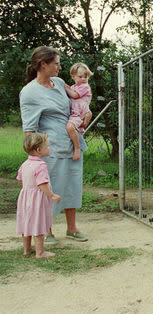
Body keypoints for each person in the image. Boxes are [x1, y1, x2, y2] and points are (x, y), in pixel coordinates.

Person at [20, 46, 91, 245]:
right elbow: (29, 130)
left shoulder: (60, 83)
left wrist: (86, 114)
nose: (60, 67)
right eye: (56, 63)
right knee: (48, 188)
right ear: (44, 64)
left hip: (72, 143)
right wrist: (34, 158)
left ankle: (72, 229)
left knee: (72, 186)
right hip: (49, 149)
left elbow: (77, 106)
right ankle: (46, 230)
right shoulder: (29, 92)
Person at [17, 133, 61, 258]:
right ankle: (40, 252)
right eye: (47, 146)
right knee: (38, 223)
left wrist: (28, 190)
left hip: (25, 198)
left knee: (27, 222)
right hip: (37, 200)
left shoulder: (25, 164)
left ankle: (27, 249)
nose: (49, 148)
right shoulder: (41, 165)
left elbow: (20, 178)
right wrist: (52, 195)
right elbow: (42, 184)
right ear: (39, 150)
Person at [64, 63, 93, 161]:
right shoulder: (74, 87)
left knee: (70, 127)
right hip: (75, 113)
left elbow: (75, 95)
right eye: (80, 77)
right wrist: (69, 88)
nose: (84, 79)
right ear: (73, 76)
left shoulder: (85, 86)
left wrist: (66, 88)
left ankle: (77, 148)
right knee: (71, 128)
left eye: (86, 76)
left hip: (80, 113)